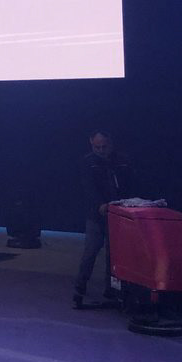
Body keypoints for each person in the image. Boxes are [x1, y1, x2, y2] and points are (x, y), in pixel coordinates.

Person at [73, 130, 136, 308]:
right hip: (97, 214)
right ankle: (80, 286)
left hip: (119, 214)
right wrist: (100, 204)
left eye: (104, 146)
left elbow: (130, 184)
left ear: (111, 143)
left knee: (114, 253)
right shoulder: (87, 162)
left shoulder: (122, 161)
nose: (101, 150)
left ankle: (112, 288)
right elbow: (88, 187)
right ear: (91, 143)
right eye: (97, 147)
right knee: (91, 249)